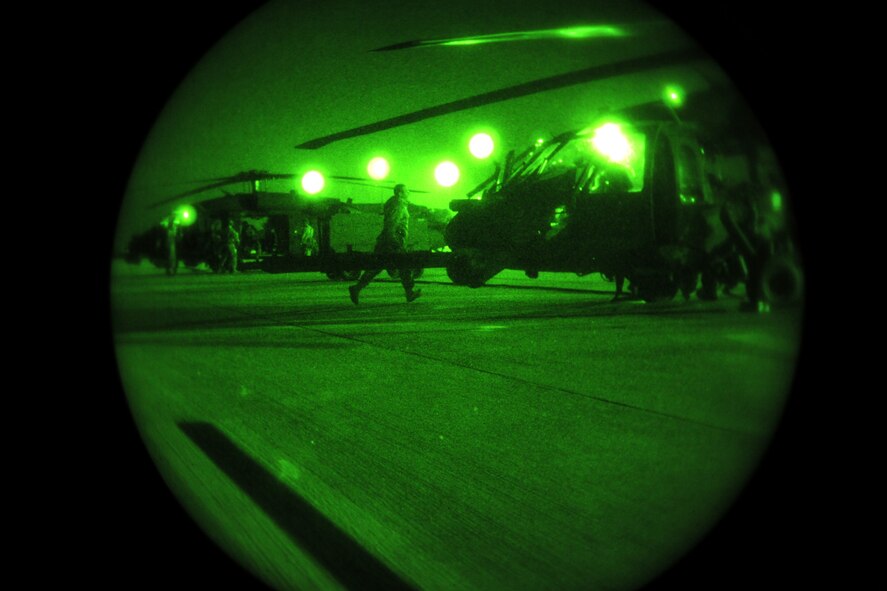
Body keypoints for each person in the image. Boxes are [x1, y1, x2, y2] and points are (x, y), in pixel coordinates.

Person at [349, 184, 422, 304]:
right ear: (399, 193)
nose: (409, 192)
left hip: (388, 240)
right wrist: (395, 243)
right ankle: (409, 292)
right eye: (406, 191)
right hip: (392, 242)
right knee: (403, 264)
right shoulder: (398, 205)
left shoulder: (398, 204)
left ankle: (357, 288)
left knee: (377, 267)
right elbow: (391, 224)